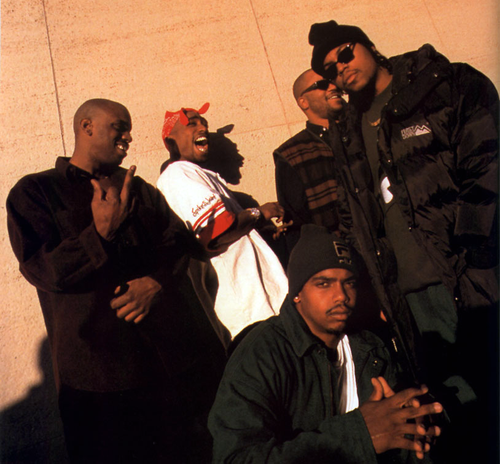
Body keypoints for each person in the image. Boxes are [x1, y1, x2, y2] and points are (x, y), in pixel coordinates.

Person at [308, 20, 499, 461]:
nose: (340, 68)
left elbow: (488, 164)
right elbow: (352, 217)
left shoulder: (444, 85)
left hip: (475, 275)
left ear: (368, 45)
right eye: (329, 69)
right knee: (458, 408)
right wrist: (369, 287)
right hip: (410, 298)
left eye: (345, 52)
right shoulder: (347, 131)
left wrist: (473, 253)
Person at [6, 98, 221, 463]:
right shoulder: (36, 192)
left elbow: (180, 246)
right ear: (86, 127)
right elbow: (43, 270)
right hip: (99, 382)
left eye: (130, 131)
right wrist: (100, 234)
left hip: (171, 369)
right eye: (119, 127)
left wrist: (157, 282)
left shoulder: (138, 189)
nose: (128, 138)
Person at [208, 224, 442, 463]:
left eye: (349, 283)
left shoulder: (369, 348)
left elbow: (395, 432)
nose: (341, 296)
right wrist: (357, 437)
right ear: (297, 293)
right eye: (323, 284)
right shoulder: (262, 353)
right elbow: (235, 458)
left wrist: (415, 425)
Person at [157, 103, 288, 346]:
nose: (202, 127)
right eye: (192, 123)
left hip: (262, 308)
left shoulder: (198, 174)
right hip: (247, 314)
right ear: (170, 140)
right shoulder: (177, 174)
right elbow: (216, 231)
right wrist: (260, 213)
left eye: (204, 123)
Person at [273, 69, 344, 257]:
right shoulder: (290, 154)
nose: (333, 86)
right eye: (322, 85)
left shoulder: (364, 130)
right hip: (339, 257)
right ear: (303, 102)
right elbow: (298, 228)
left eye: (333, 81)